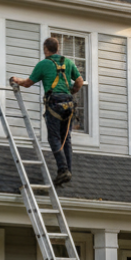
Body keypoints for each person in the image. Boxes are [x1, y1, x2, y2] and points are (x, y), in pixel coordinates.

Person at [10, 37, 83, 186]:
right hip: (69, 104)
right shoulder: (67, 62)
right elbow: (80, 81)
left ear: (46, 49)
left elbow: (28, 83)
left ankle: (63, 170)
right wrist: (72, 90)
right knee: (66, 139)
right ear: (58, 48)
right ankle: (67, 170)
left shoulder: (43, 64)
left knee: (54, 138)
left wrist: (16, 80)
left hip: (54, 104)